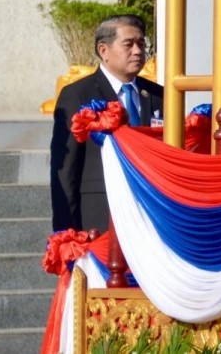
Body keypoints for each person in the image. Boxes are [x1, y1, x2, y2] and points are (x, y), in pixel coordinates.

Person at [50, 14, 164, 233]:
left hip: (150, 215)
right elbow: (65, 169)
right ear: (104, 51)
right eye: (128, 44)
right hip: (100, 217)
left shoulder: (159, 95)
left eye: (141, 44)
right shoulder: (78, 95)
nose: (138, 51)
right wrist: (66, 231)